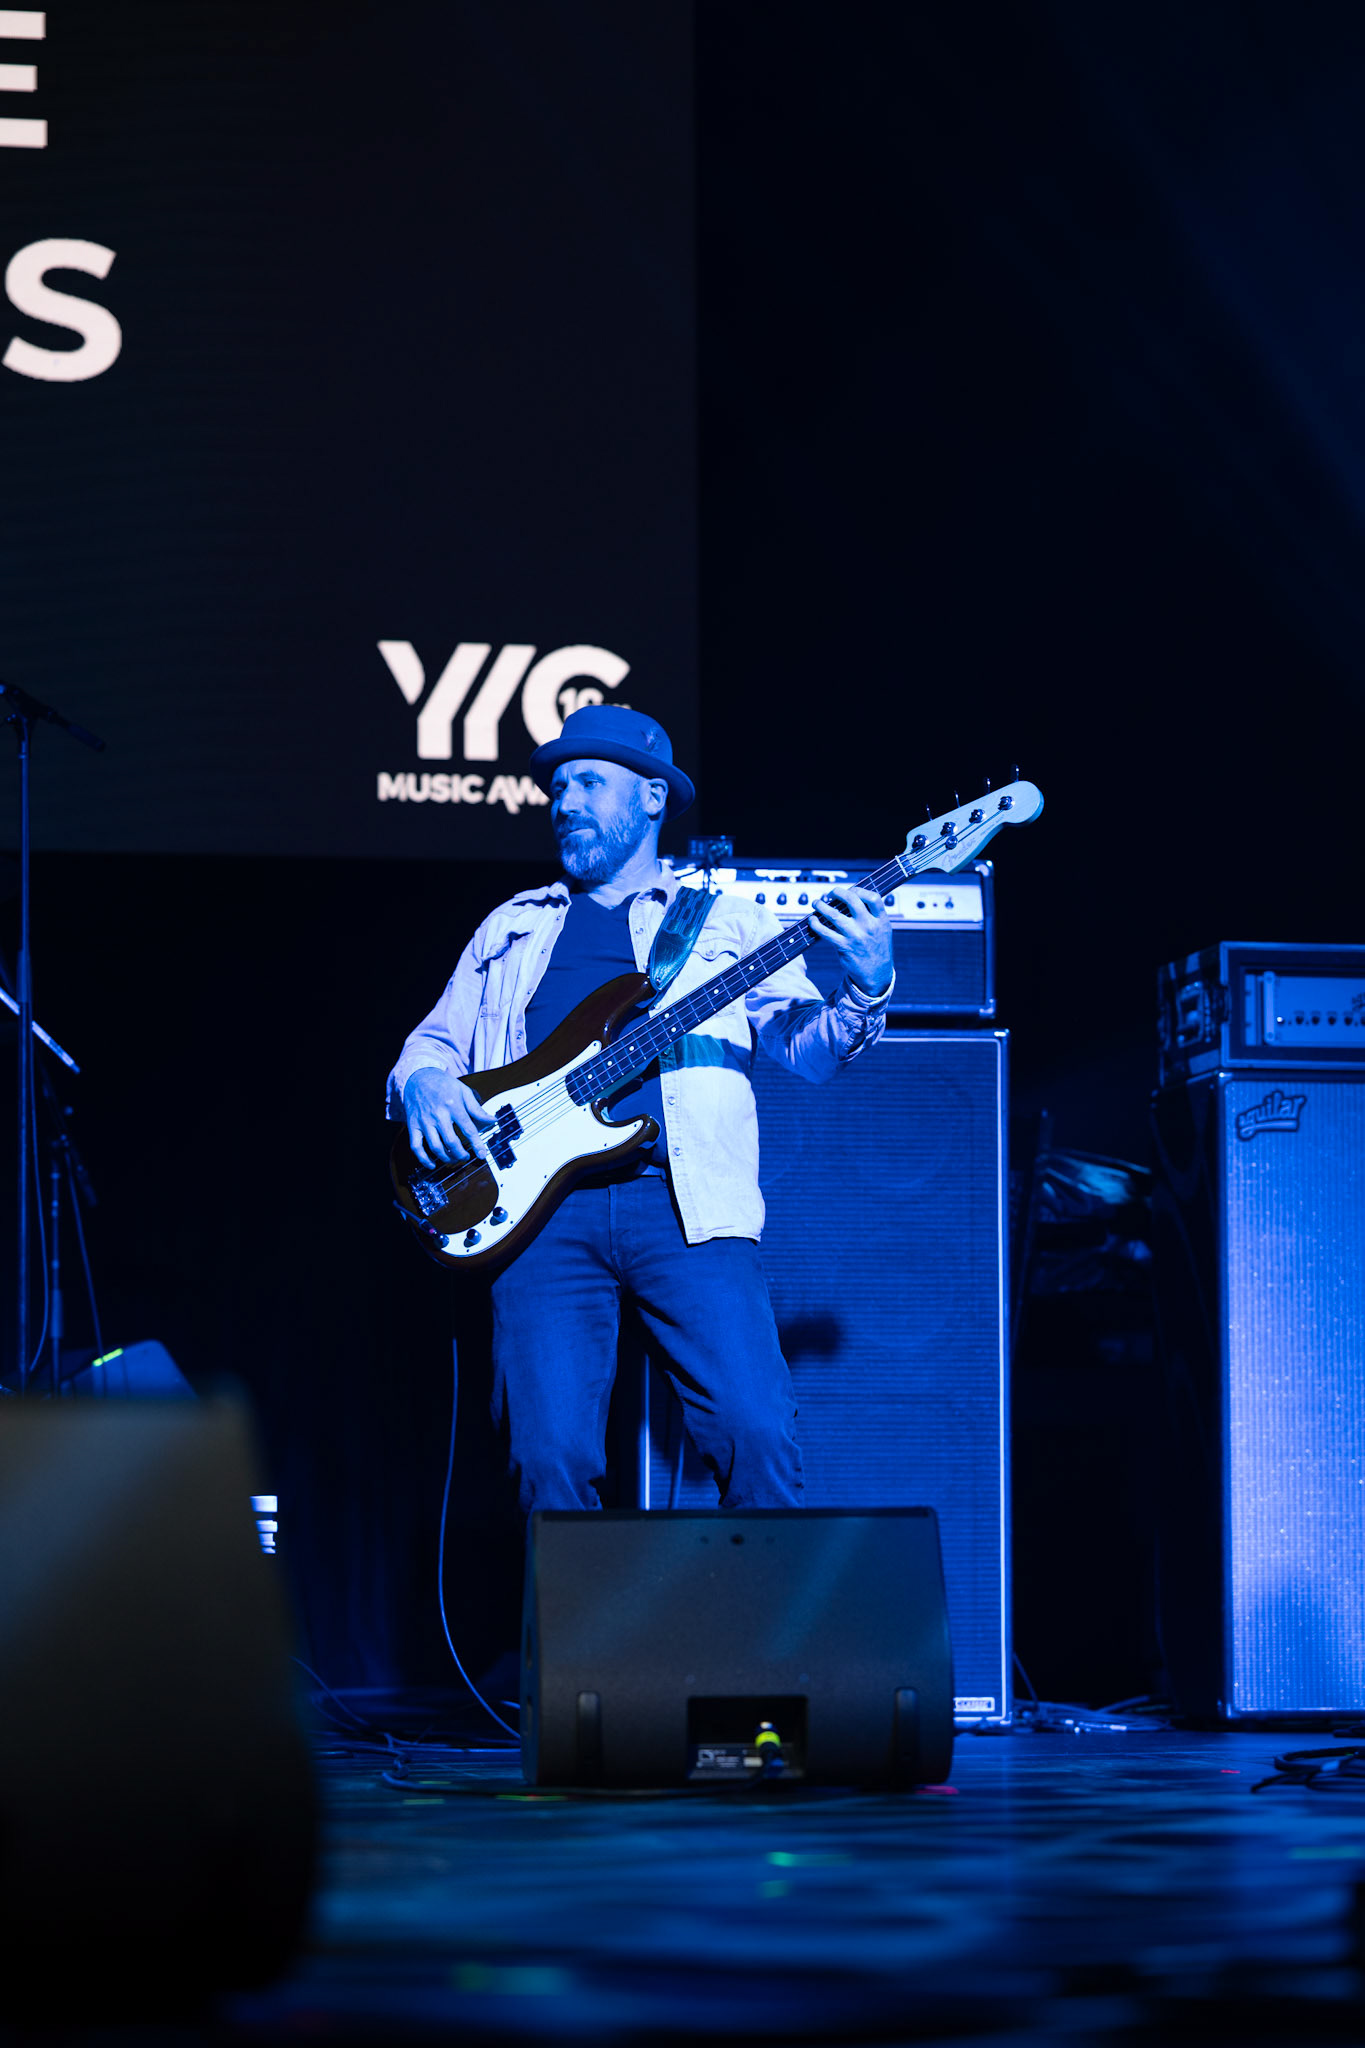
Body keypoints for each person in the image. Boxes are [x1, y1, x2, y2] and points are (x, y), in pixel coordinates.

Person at [387, 704, 894, 1513]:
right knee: (548, 1460)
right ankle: (575, 1606)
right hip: (537, 1221)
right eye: (557, 788)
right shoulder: (511, 926)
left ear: (652, 798)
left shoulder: (726, 920)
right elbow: (431, 1046)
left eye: (588, 783)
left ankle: (766, 1601)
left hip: (686, 1204)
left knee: (757, 1432)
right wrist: (423, 1084)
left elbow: (809, 1050)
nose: (564, 802)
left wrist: (867, 982)